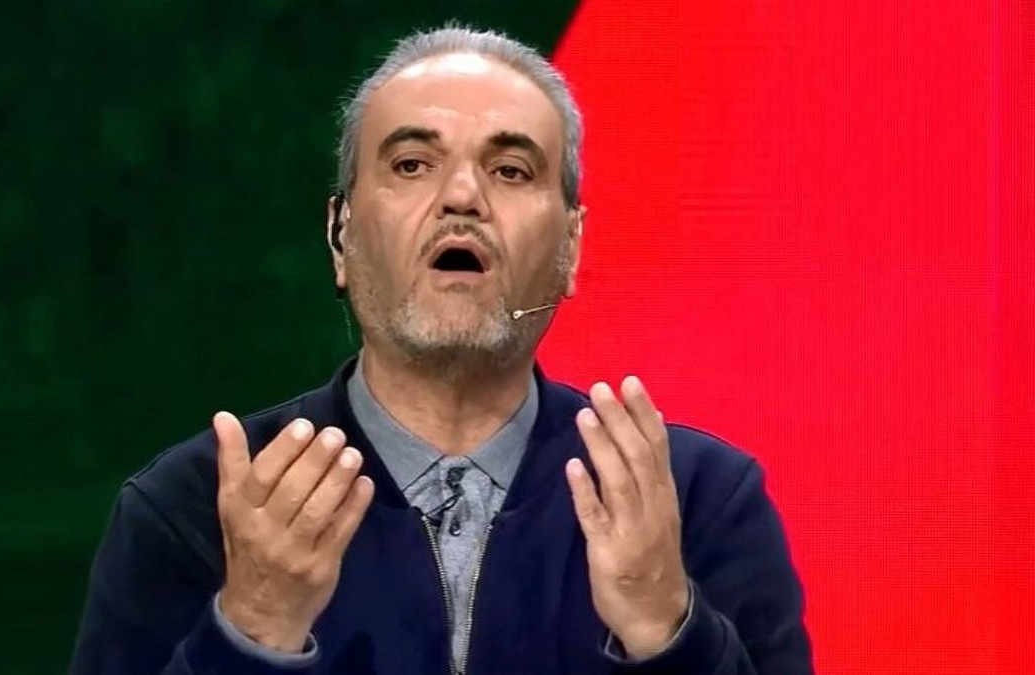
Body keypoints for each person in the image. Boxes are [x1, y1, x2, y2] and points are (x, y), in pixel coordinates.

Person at [69, 24, 812, 675]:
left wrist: (667, 630)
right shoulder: (194, 510)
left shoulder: (700, 503)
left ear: (571, 247)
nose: (462, 196)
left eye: (510, 170)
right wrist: (251, 631)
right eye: (411, 165)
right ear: (340, 236)